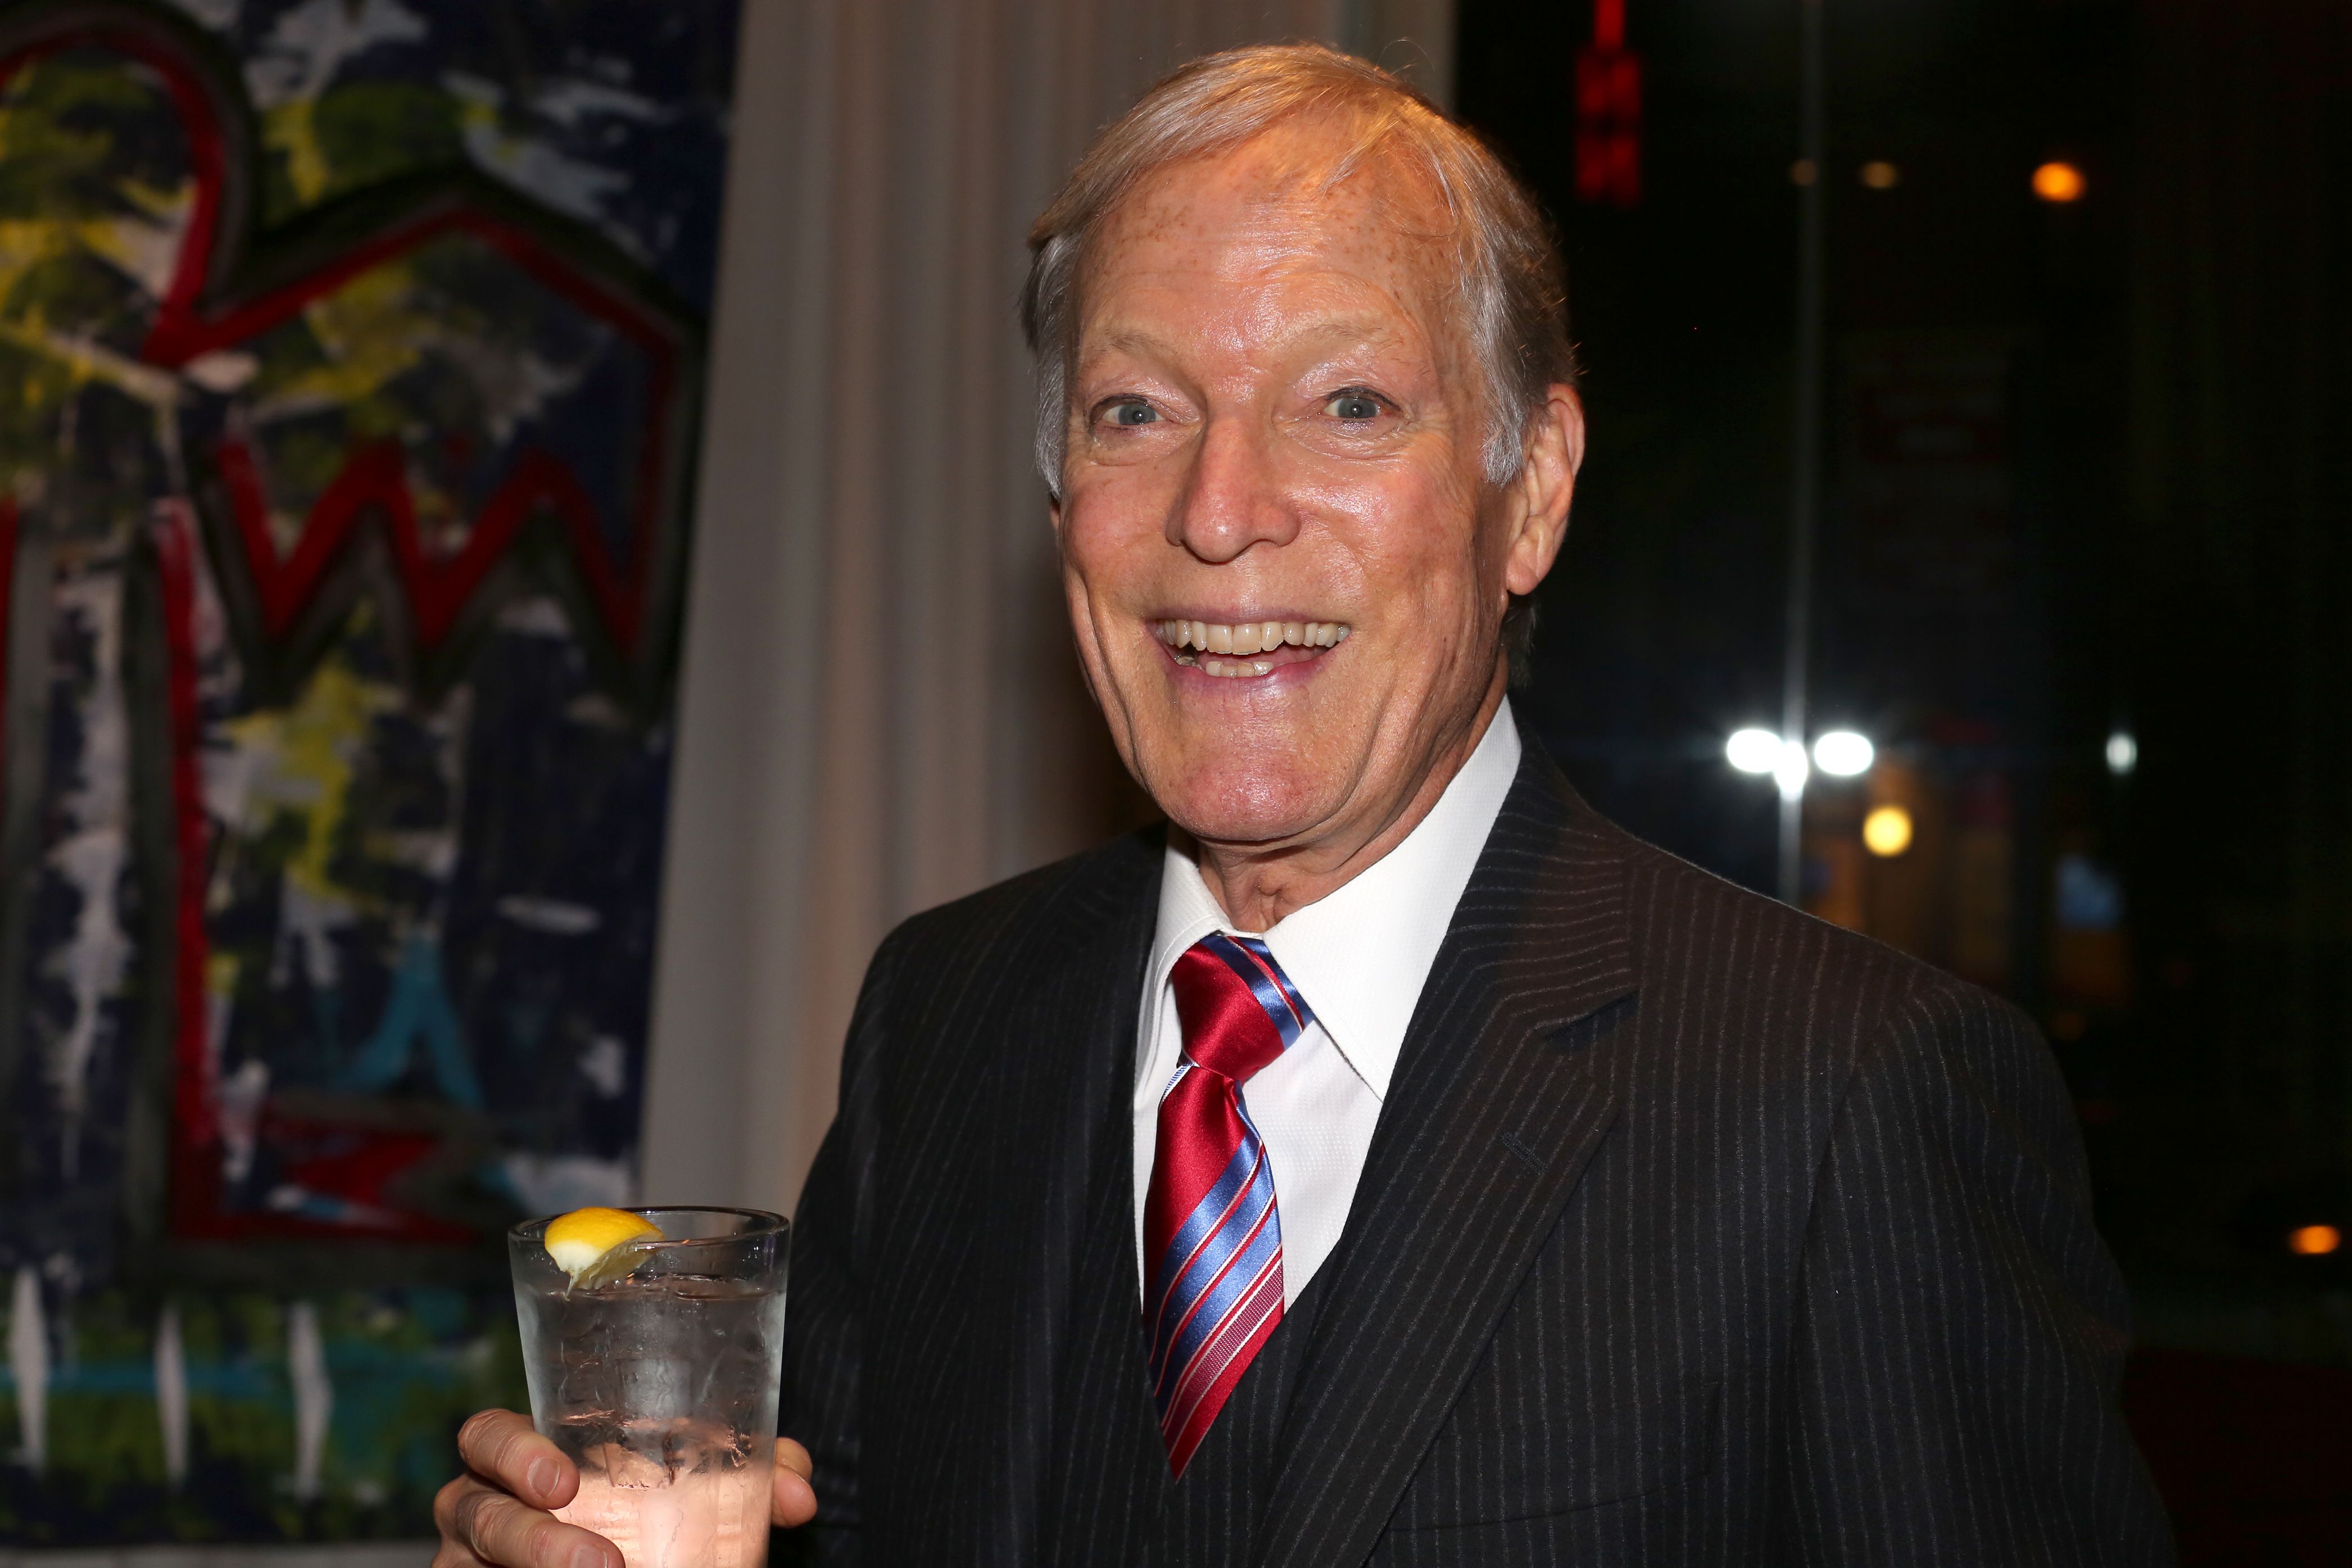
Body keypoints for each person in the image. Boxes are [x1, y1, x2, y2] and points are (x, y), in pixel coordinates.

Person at [434, 43, 2173, 1568]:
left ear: (1532, 490)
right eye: (1136, 410)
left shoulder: (1842, 1099)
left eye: (1345, 405)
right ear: (1060, 499)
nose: (1218, 511)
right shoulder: (944, 1020)